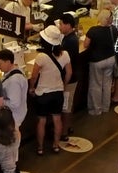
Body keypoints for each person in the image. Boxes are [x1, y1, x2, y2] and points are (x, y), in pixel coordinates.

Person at [29, 25, 72, 155]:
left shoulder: (41, 56)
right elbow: (69, 72)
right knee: (57, 119)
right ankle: (56, 145)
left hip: (43, 93)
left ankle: (40, 148)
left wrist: (32, 88)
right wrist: (63, 85)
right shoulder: (65, 54)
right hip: (58, 92)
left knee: (41, 121)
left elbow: (34, 75)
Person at [83, 9, 118, 116]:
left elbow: (85, 45)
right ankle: (105, 107)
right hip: (111, 59)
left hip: (97, 61)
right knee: (107, 85)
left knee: (96, 85)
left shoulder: (93, 30)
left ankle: (96, 110)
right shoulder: (113, 29)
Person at [0, 49, 28, 134]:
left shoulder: (14, 81)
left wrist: (0, 102)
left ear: (8, 62)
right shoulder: (15, 72)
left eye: (0, 63)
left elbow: (14, 103)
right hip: (14, 115)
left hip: (13, 117)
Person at [57, 14, 79, 139]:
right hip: (72, 77)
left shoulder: (70, 41)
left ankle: (64, 132)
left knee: (66, 106)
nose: (60, 26)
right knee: (68, 104)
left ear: (68, 25)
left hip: (69, 79)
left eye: (61, 24)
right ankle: (68, 126)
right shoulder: (70, 38)